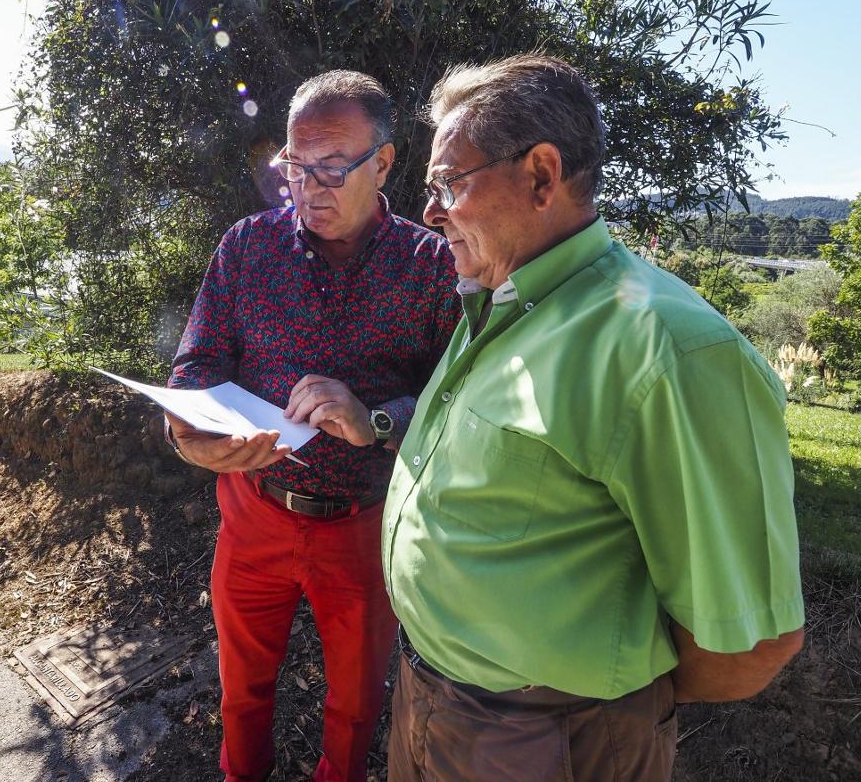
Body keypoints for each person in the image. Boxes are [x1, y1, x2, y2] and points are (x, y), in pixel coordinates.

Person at [381, 54, 805, 781]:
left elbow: (749, 647)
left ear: (541, 176)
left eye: (449, 182)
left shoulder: (664, 346)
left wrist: (603, 718)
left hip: (552, 742)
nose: (429, 211)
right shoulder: (502, 296)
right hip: (434, 705)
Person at [166, 70, 461, 782]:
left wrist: (377, 419)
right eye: (297, 167)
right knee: (242, 691)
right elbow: (196, 363)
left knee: (358, 706)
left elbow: (460, 404)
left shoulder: (431, 266)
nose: (309, 187)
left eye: (333, 168)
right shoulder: (246, 247)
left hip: (364, 526)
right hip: (253, 514)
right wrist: (192, 435)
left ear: (384, 163)